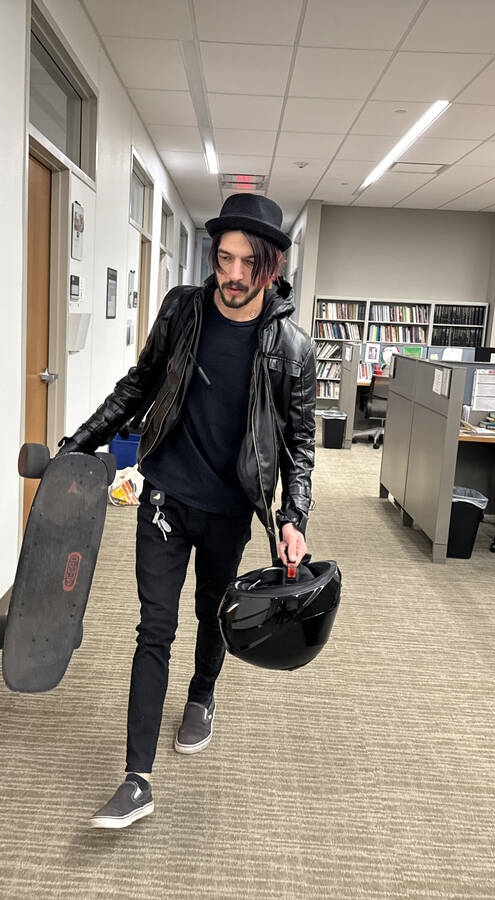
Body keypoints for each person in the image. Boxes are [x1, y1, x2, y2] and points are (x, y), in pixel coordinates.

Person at [59, 193, 317, 829]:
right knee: (154, 629)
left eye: (246, 264)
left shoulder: (291, 347)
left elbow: (300, 443)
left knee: (212, 611)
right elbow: (140, 384)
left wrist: (293, 519)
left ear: (271, 268)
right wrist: (79, 443)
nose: (231, 276)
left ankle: (202, 695)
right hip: (167, 497)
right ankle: (137, 777)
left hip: (232, 508)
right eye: (223, 259)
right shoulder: (182, 311)